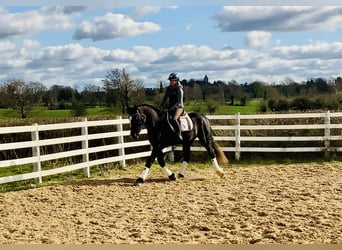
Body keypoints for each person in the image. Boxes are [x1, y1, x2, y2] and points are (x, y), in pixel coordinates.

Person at [159, 72, 184, 141]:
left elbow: (179, 101)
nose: (170, 82)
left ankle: (179, 134)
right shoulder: (168, 88)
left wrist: (172, 108)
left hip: (179, 107)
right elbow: (164, 99)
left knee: (174, 119)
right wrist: (160, 107)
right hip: (170, 107)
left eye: (172, 80)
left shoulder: (179, 89)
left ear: (176, 81)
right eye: (170, 80)